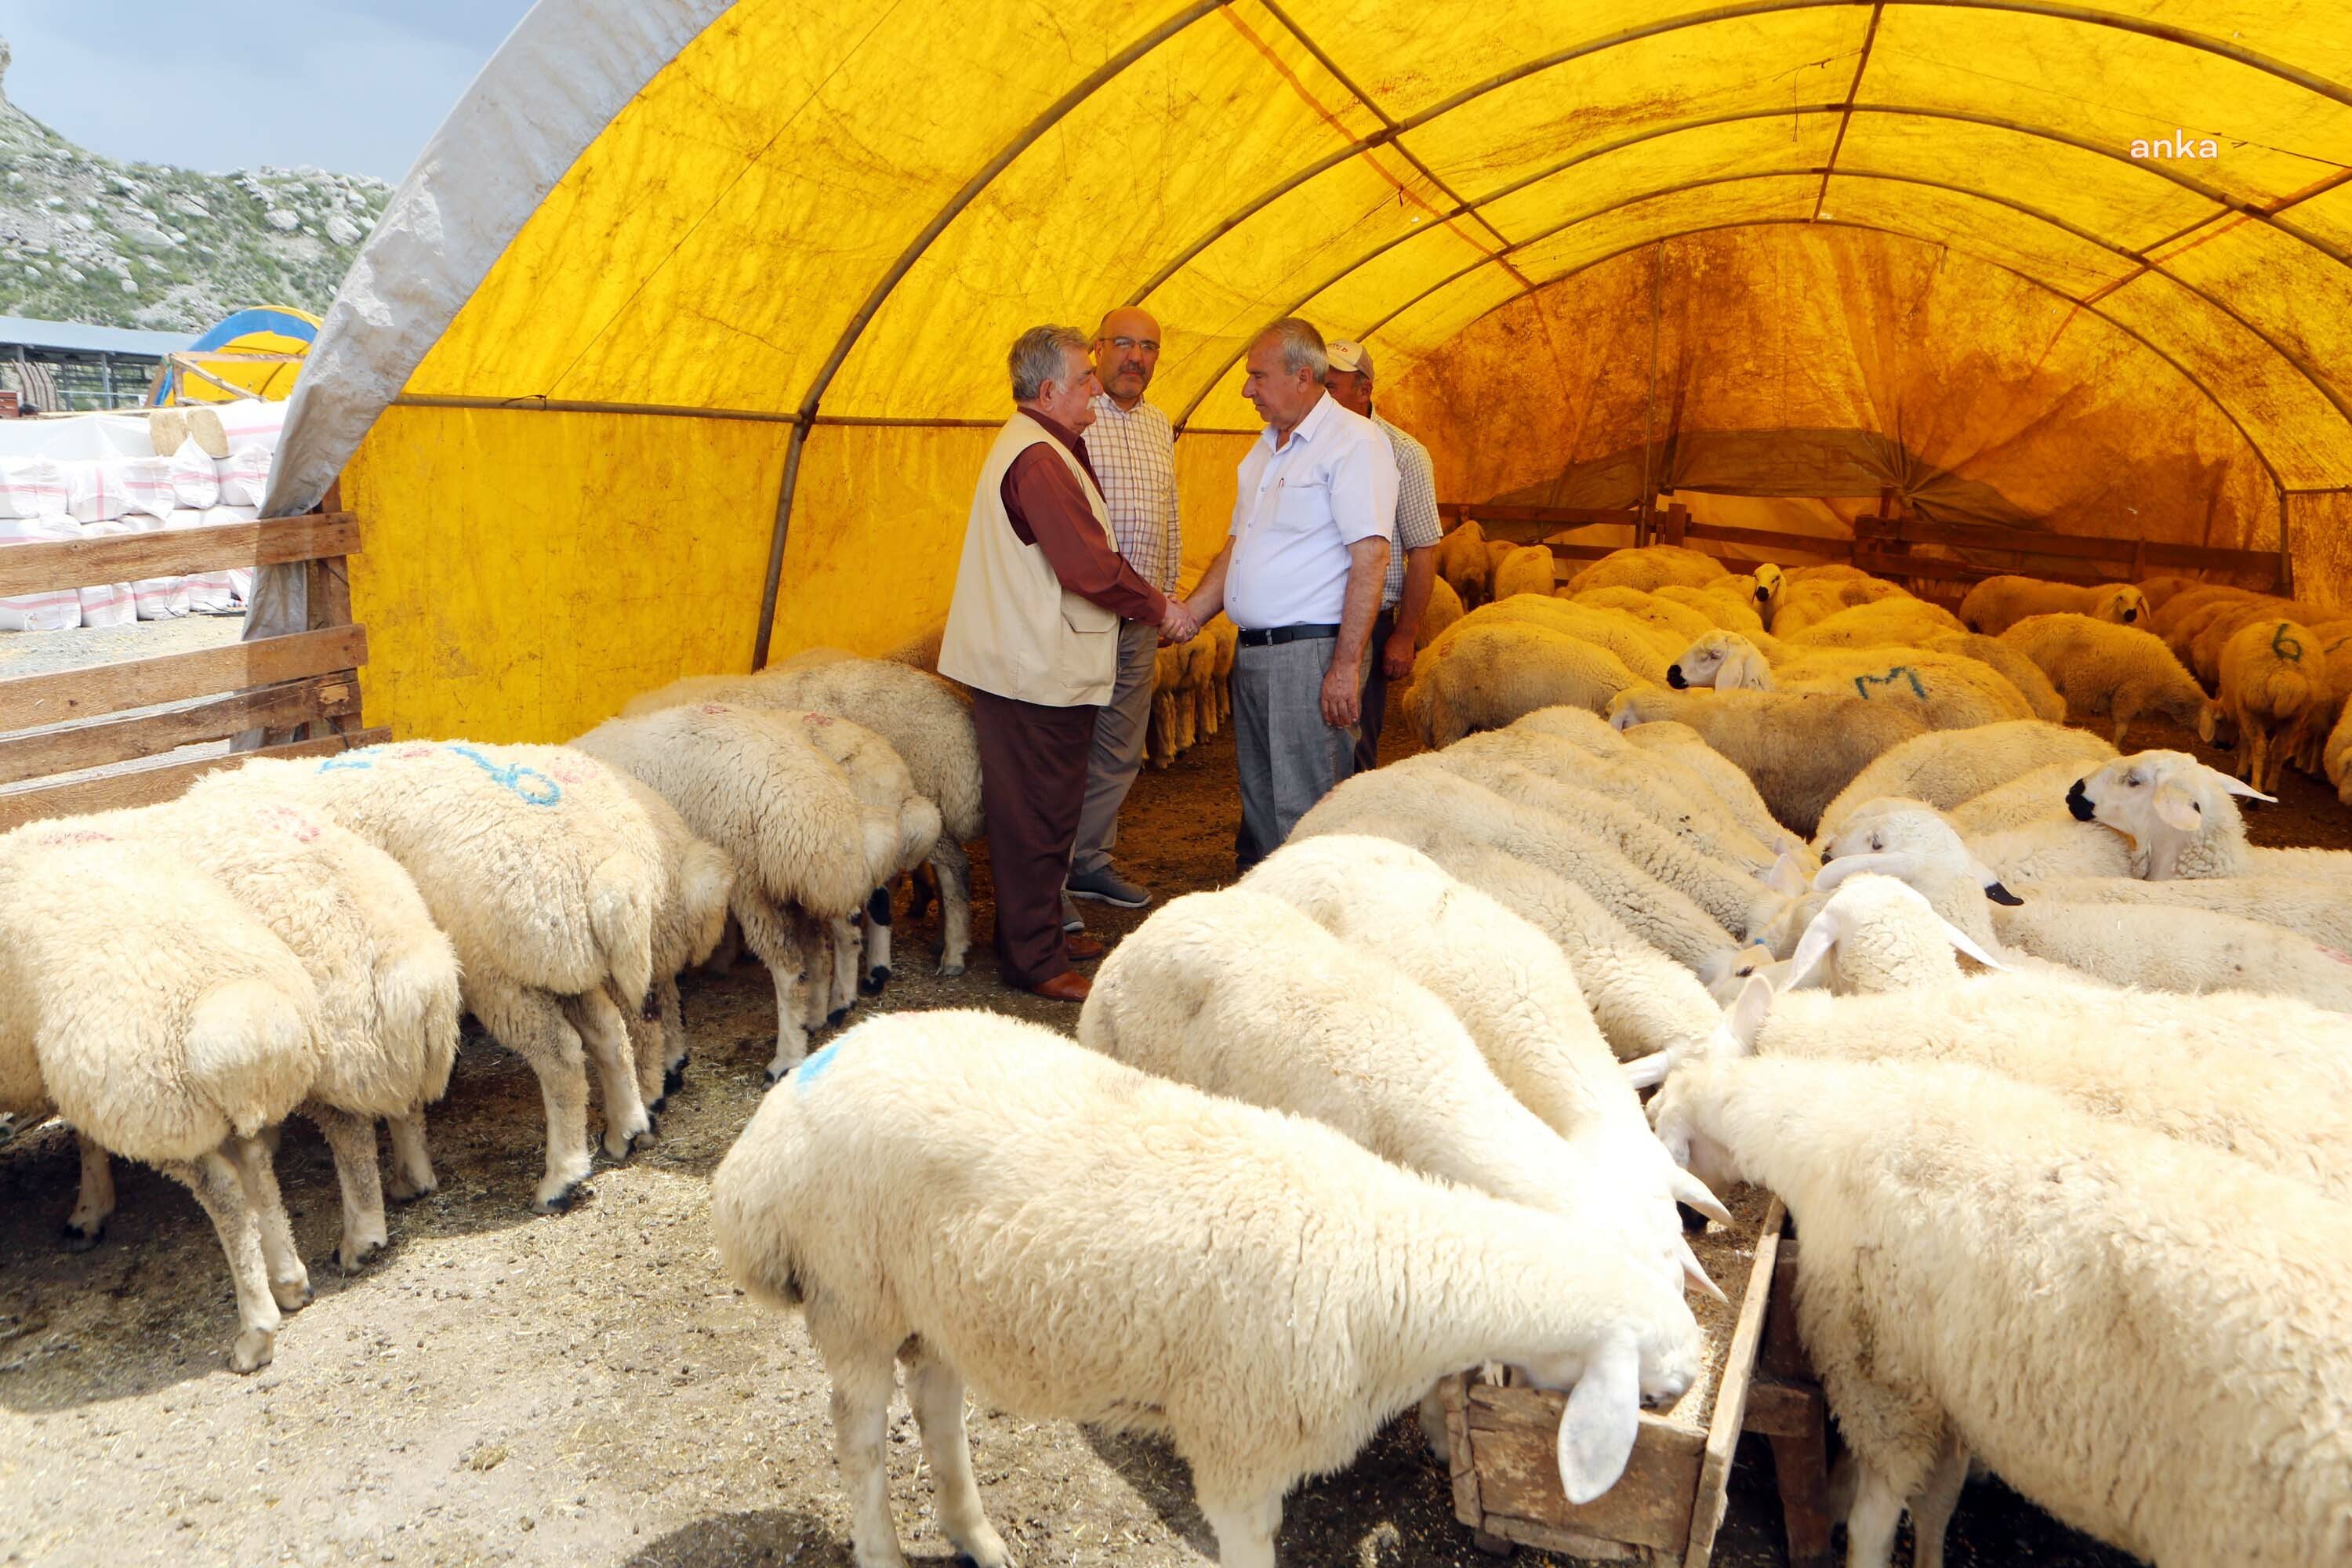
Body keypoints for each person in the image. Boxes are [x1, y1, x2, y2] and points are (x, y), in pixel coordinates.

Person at [938, 325, 1196, 1002]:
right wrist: (1158, 605)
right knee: (1034, 816)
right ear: (1049, 390)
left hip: (1039, 663)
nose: (1095, 387)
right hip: (1033, 669)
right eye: (1085, 378)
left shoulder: (1046, 446)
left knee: (1048, 810)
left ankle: (1040, 932)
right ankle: (1034, 960)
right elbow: (1085, 565)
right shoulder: (1039, 459)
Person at [1181, 318, 1393, 869]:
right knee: (1264, 807)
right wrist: (1191, 616)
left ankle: (1317, 933)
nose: (1246, 390)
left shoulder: (1354, 444)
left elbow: (1371, 557)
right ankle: (1278, 926)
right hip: (1257, 655)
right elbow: (1239, 545)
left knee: (1307, 811)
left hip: (1310, 656)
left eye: (1257, 377)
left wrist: (1346, 666)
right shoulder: (1266, 450)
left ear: (1303, 376)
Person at [1061, 307, 1182, 928]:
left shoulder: (1160, 424)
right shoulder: (1078, 419)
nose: (1136, 357)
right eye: (1124, 344)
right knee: (1067, 741)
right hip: (1081, 613)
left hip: (1139, 618)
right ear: (1098, 349)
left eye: (1149, 348)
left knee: (1119, 745)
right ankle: (1049, 874)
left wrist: (1167, 592)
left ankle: (1089, 858)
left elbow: (1169, 513)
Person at [1320, 339, 1440, 771]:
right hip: (1313, 617)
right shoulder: (1308, 443)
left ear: (1364, 390)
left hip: (1370, 621)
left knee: (1356, 734)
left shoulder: (1404, 454)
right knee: (1314, 737)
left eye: (1331, 386)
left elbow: (1423, 551)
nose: (1322, 396)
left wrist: (1405, 635)